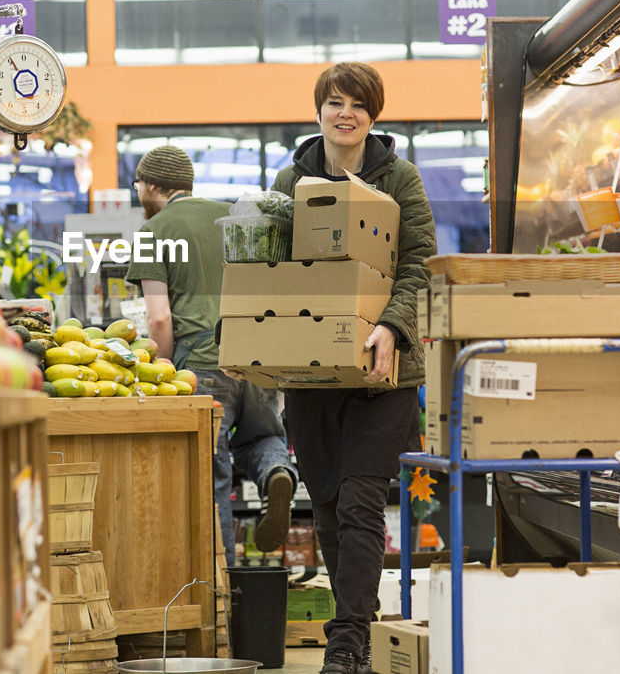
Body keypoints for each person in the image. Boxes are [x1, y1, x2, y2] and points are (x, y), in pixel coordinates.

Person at [270, 63, 435, 674]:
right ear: (318, 111)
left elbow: (418, 262)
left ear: (374, 114)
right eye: (335, 103)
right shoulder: (290, 180)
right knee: (333, 508)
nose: (347, 114)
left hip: (382, 373)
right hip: (313, 376)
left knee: (364, 500)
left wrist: (390, 326)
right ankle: (356, 640)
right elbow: (271, 270)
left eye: (358, 105)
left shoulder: (401, 178)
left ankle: (346, 644)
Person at [125, 144, 299, 564]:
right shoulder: (236, 216)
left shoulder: (153, 232)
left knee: (211, 480)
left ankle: (220, 595)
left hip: (201, 366)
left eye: (138, 187)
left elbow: (160, 319)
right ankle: (276, 472)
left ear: (151, 186)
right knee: (265, 436)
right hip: (257, 356)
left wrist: (162, 372)